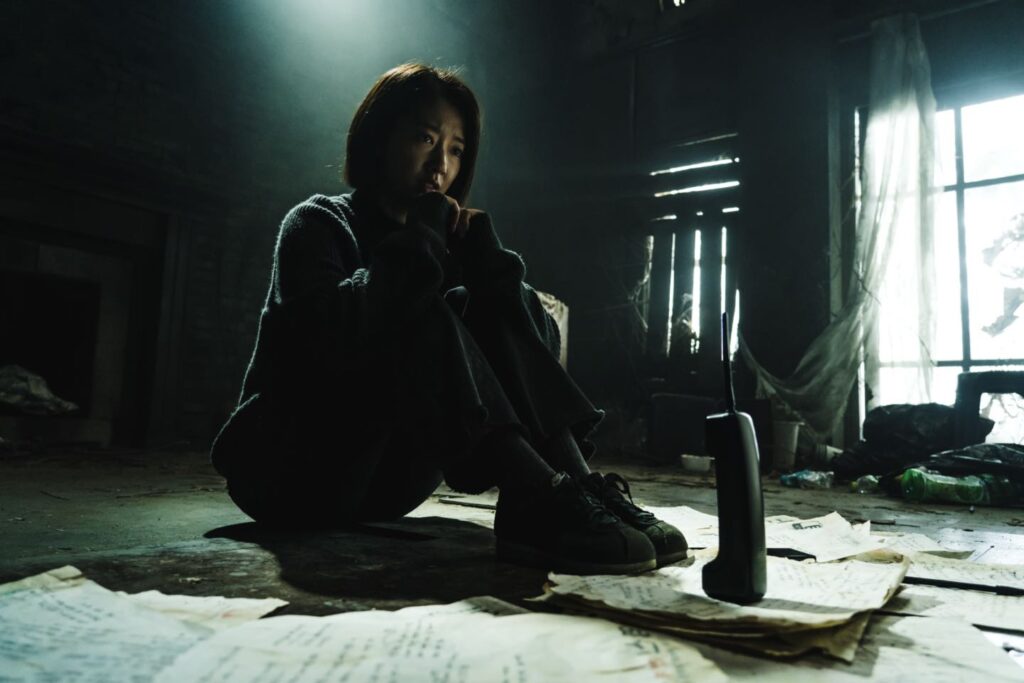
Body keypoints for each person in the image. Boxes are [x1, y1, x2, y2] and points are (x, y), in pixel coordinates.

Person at [210, 63, 687, 575]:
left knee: (484, 298)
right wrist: (420, 243)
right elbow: (336, 339)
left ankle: (577, 483)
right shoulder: (317, 224)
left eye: (456, 150)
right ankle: (536, 491)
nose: (440, 165)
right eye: (425, 138)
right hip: (288, 472)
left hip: (385, 484)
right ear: (379, 139)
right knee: (421, 307)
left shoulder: (444, 246)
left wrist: (491, 270)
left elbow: (539, 345)